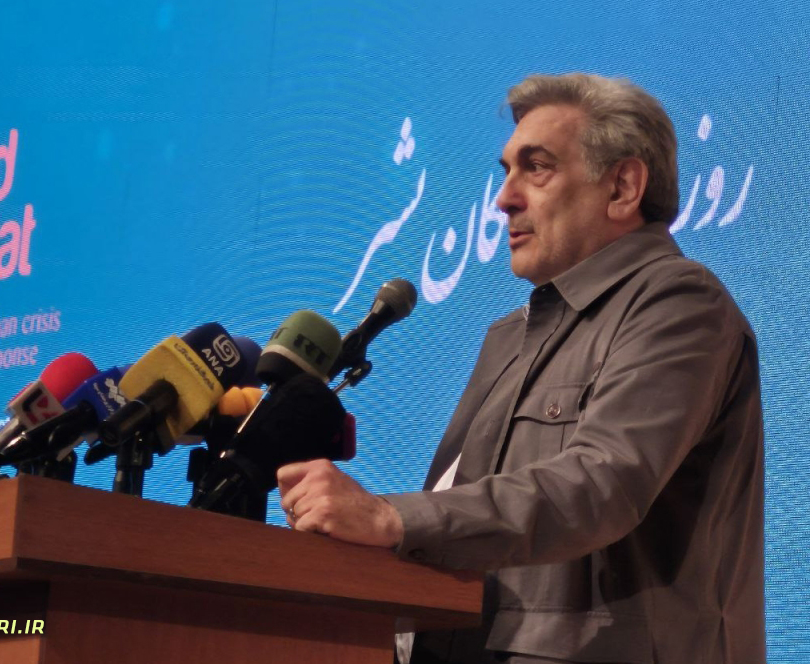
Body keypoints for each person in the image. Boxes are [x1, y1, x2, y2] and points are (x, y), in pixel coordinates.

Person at [277, 73, 765, 664]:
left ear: (622, 187)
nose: (503, 199)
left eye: (536, 168)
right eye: (506, 171)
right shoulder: (512, 335)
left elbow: (601, 485)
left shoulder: (678, 302)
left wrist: (389, 518)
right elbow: (463, 519)